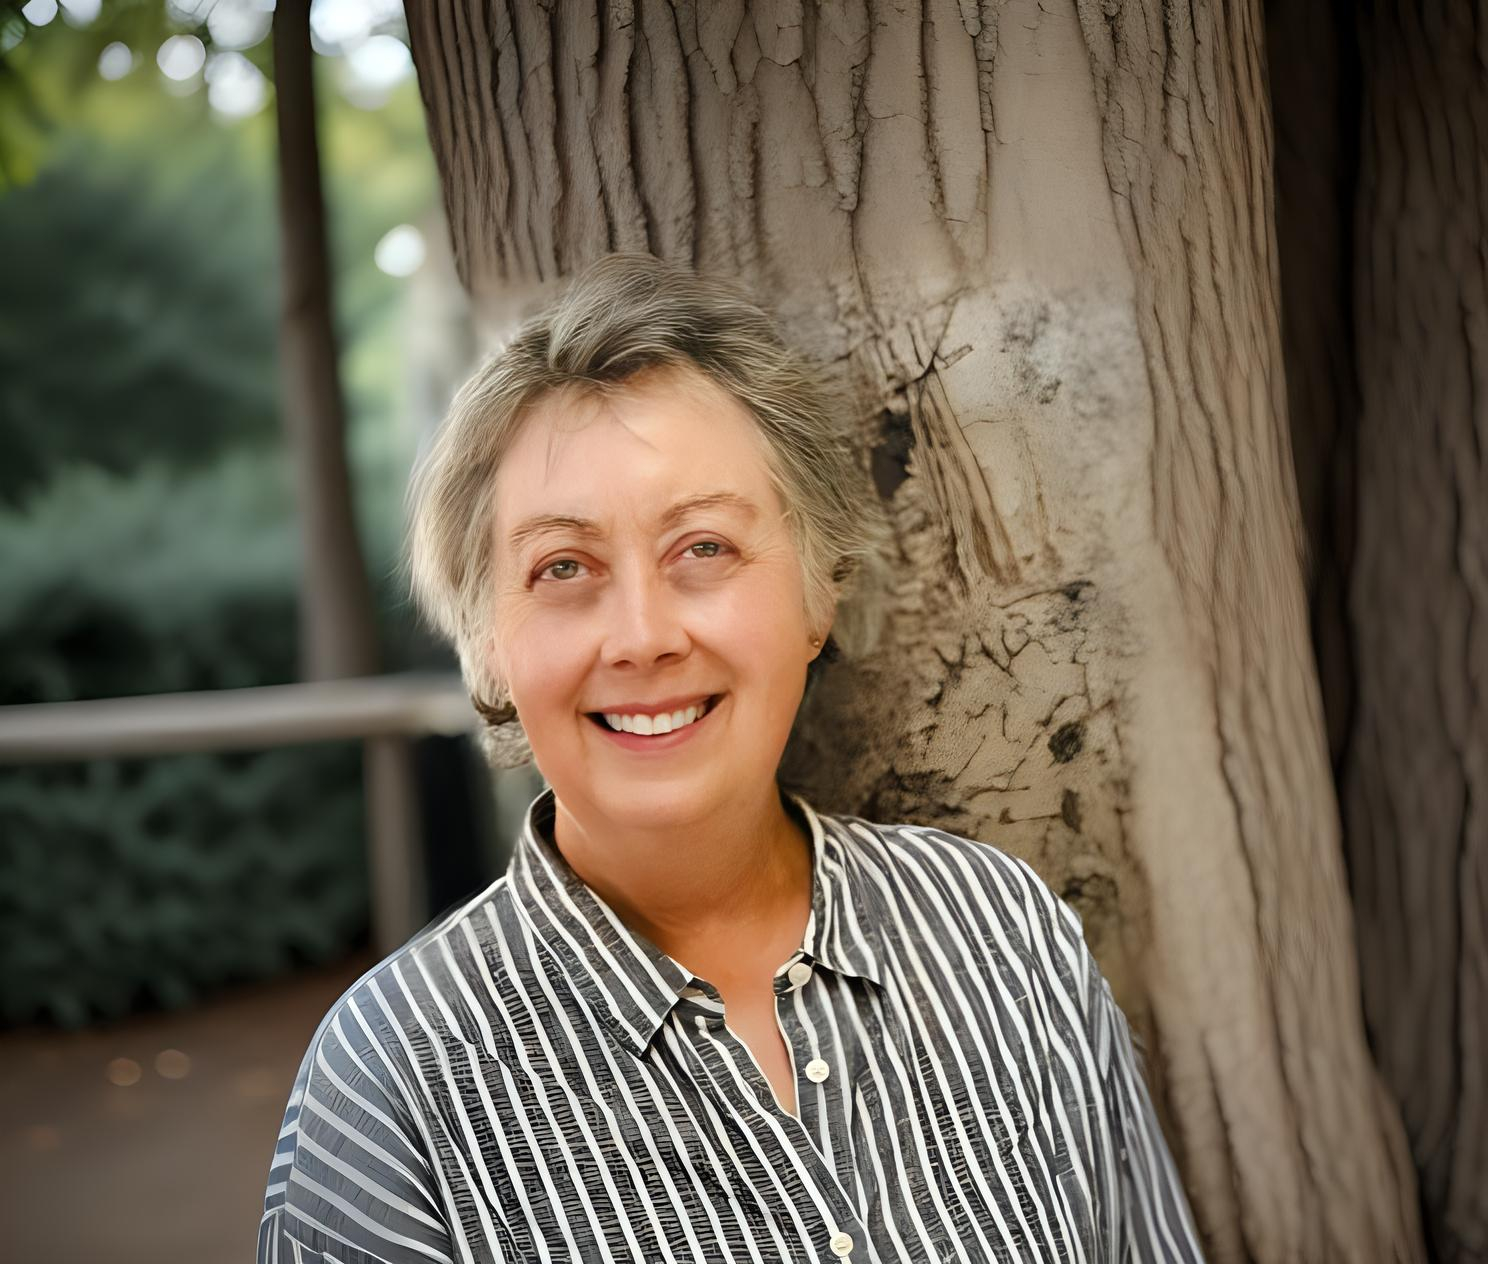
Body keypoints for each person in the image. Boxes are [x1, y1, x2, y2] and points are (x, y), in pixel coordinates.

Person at [256, 253, 1206, 1263]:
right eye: (564, 566)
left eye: (703, 547)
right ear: (488, 641)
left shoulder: (1004, 938)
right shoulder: (391, 1092)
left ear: (818, 591)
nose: (642, 636)